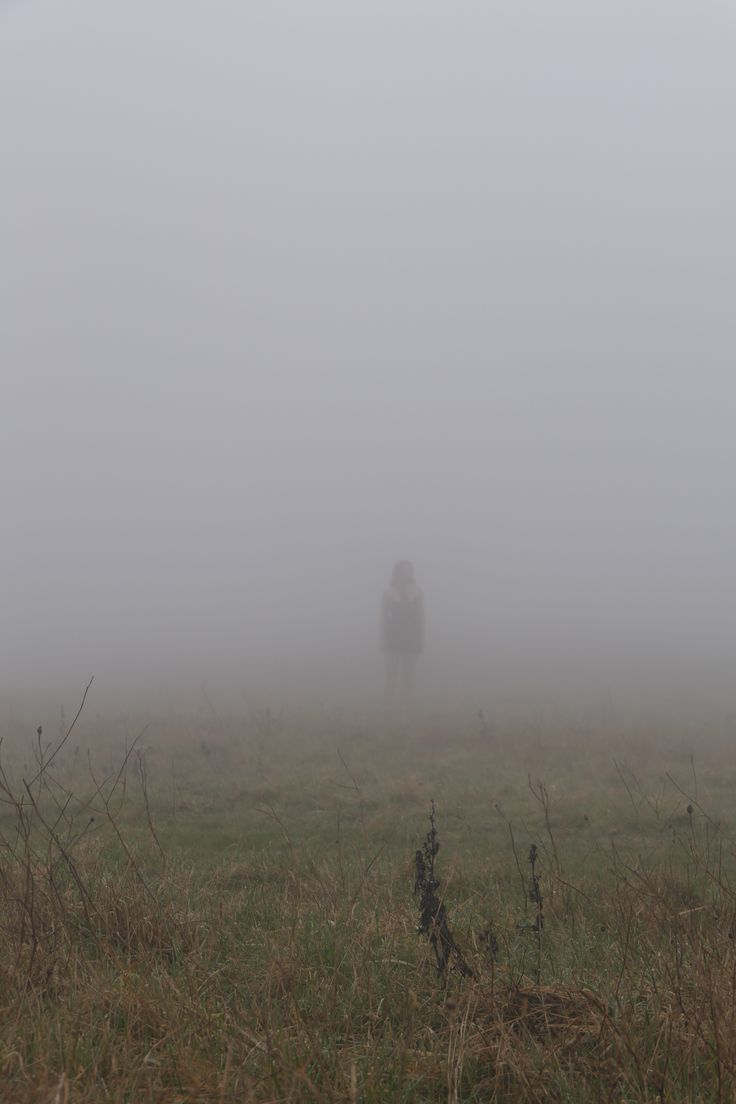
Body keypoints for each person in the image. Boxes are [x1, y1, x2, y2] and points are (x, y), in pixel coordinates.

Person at [381, 560, 425, 711]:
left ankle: (407, 703)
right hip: (394, 634)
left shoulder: (418, 591)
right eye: (404, 569)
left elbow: (421, 616)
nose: (408, 572)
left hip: (411, 634)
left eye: (410, 569)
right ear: (398, 571)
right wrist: (384, 636)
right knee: (391, 671)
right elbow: (383, 617)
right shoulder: (388, 592)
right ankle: (388, 704)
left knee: (408, 672)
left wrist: (420, 636)